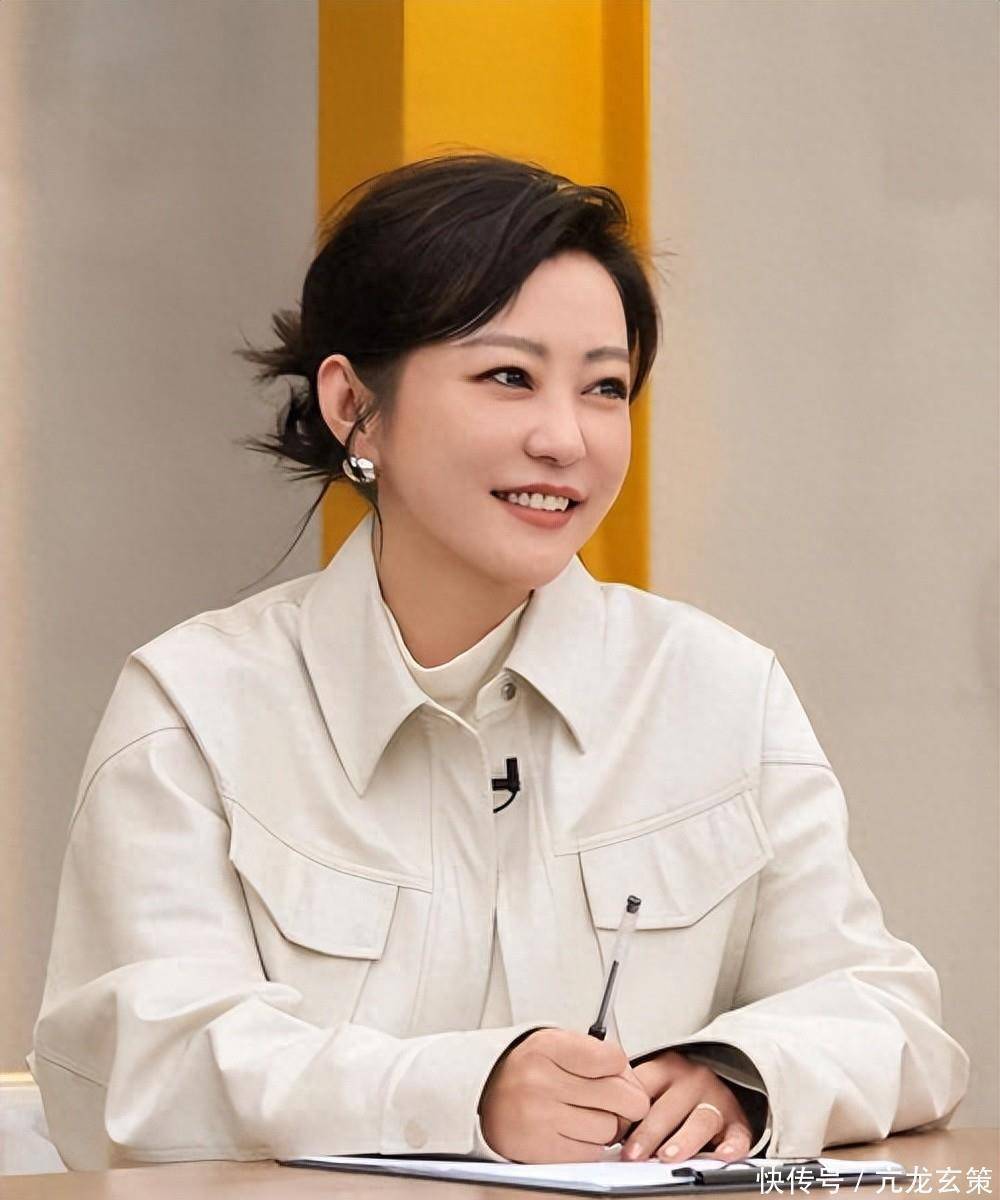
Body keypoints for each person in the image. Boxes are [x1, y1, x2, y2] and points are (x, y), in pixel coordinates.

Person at [30, 152, 968, 1171]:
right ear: (354, 407)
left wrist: (737, 1073)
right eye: (508, 377)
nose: (566, 440)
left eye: (604, 388)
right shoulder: (193, 711)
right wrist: (466, 1094)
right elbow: (144, 1077)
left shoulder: (722, 694)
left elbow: (889, 1018)